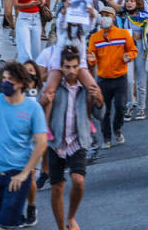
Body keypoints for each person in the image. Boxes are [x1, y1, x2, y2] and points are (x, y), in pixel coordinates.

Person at [48, 47, 100, 230]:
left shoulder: (84, 88)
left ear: (80, 67)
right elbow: (41, 105)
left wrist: (99, 100)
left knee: (78, 180)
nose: (71, 71)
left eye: (74, 66)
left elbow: (100, 114)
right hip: (55, 142)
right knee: (57, 187)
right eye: (67, 66)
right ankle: (61, 227)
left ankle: (71, 218)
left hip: (77, 140)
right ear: (61, 67)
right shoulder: (55, 86)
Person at [0, 61, 48, 230]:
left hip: (16, 176)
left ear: (21, 83)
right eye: (4, 78)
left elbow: (41, 143)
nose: (5, 82)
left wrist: (25, 173)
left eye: (10, 79)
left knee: (4, 226)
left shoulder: (32, 108)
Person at [86, 5, 137, 149]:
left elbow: (133, 50)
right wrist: (90, 59)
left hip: (120, 77)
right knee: (104, 111)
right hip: (103, 79)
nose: (105, 18)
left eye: (108, 15)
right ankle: (107, 138)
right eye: (102, 15)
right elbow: (92, 58)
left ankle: (117, 129)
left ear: (114, 17)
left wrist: (129, 56)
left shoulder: (123, 34)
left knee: (121, 107)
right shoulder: (95, 37)